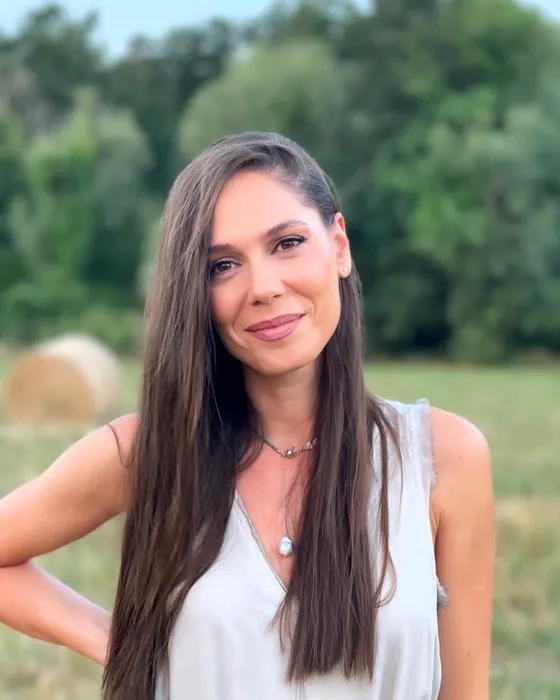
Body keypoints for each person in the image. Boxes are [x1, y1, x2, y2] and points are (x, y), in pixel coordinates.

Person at [0, 131, 495, 700]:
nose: (262, 287)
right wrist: (121, 644)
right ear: (195, 291)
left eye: (287, 243)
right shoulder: (149, 451)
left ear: (339, 246)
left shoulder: (443, 457)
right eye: (223, 265)